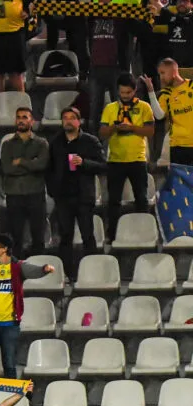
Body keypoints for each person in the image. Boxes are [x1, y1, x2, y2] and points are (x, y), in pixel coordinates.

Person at [46, 107, 105, 278]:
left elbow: (103, 165)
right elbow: (48, 169)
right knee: (65, 237)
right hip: (63, 197)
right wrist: (52, 190)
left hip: (83, 196)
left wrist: (84, 163)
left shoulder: (90, 141)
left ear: (79, 121)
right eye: (65, 118)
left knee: (88, 236)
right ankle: (67, 274)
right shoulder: (55, 142)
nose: (69, 121)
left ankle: (93, 274)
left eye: (72, 118)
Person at [99, 73, 154, 243]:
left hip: (137, 159)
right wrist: (115, 127)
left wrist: (132, 127)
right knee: (113, 200)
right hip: (115, 160)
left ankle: (143, 234)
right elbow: (102, 133)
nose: (125, 96)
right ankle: (112, 235)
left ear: (135, 91)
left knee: (142, 200)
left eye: (128, 93)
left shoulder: (145, 107)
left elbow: (150, 132)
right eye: (122, 93)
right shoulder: (110, 108)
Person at [0, 107, 50, 258]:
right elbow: (7, 168)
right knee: (15, 236)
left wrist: (20, 161)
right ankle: (17, 270)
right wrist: (30, 165)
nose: (21, 120)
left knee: (38, 235)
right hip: (14, 194)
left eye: (25, 117)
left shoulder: (41, 143)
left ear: (32, 121)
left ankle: (39, 267)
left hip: (36, 193)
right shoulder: (7, 144)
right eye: (19, 117)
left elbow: (42, 165)